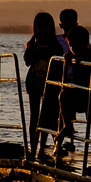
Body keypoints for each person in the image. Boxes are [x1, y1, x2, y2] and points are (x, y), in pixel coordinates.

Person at [55, 25, 91, 178]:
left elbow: (90, 75)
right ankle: (68, 126)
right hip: (81, 96)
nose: (72, 48)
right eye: (70, 45)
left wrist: (77, 62)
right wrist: (70, 62)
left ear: (84, 43)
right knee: (63, 95)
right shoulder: (74, 56)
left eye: (74, 44)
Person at [23, 12, 65, 157]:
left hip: (51, 85)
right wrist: (35, 45)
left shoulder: (55, 46)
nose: (43, 30)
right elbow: (28, 60)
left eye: (46, 27)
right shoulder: (32, 44)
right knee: (34, 115)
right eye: (40, 27)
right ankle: (32, 148)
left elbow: (59, 64)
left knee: (47, 116)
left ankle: (42, 149)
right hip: (34, 82)